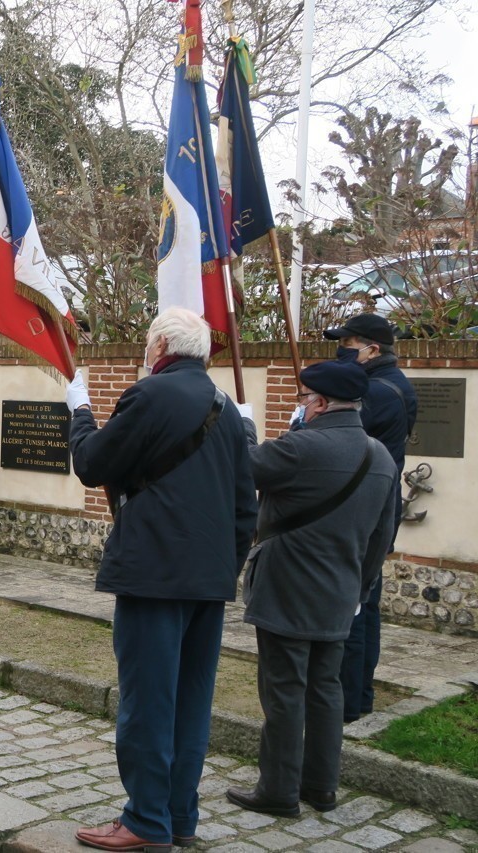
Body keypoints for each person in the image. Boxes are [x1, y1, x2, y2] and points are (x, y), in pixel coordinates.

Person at [66, 307, 258, 852]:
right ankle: (179, 816)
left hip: (154, 575)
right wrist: (225, 565)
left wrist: (80, 410)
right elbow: (247, 506)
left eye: (147, 345)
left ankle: (146, 822)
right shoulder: (227, 408)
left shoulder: (149, 395)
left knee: (149, 703)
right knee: (191, 704)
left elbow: (94, 462)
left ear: (158, 346)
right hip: (209, 580)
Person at [228, 360, 397, 816]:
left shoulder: (300, 447)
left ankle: (278, 791)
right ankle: (321, 786)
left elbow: (241, 467)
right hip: (342, 589)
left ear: (319, 404)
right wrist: (359, 590)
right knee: (325, 688)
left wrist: (245, 423)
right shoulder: (380, 456)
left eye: (304, 399)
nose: (300, 406)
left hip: (286, 586)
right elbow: (383, 536)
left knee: (284, 690)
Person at [322, 313, 417, 723]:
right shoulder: (393, 383)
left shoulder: (377, 391)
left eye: (348, 344)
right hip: (376, 506)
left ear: (372, 349)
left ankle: (345, 700)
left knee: (354, 607)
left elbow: (338, 438)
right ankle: (359, 696)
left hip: (363, 511)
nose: (342, 351)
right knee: (366, 604)